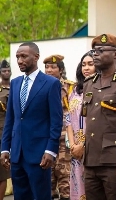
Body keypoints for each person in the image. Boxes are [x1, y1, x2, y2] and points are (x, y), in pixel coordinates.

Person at [0, 42, 63, 200]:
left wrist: (50, 150)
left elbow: (56, 121)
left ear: (36, 57)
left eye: (23, 56)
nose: (20, 60)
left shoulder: (50, 83)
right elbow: (11, 120)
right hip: (17, 155)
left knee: (41, 197)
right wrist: (5, 149)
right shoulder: (15, 83)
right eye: (17, 57)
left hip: (40, 155)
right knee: (20, 196)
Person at [83, 34, 116, 200]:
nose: (95, 54)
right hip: (90, 158)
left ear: (115, 54)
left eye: (100, 51)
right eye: (94, 51)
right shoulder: (89, 83)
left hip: (113, 160)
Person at [43, 54, 75, 200]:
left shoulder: (70, 87)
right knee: (47, 180)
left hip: (64, 138)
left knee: (64, 177)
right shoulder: (40, 86)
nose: (49, 70)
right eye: (47, 67)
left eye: (53, 67)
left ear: (61, 70)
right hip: (45, 138)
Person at [66, 52, 95, 200]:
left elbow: (96, 121)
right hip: (75, 151)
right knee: (77, 190)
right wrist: (73, 145)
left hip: (91, 147)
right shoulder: (75, 91)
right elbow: (68, 119)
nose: (86, 68)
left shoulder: (98, 89)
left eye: (90, 64)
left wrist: (82, 145)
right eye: (84, 64)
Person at [0, 60, 11, 200]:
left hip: (6, 136)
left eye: (8, 70)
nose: (6, 73)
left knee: (3, 173)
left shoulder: (15, 87)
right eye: (4, 71)